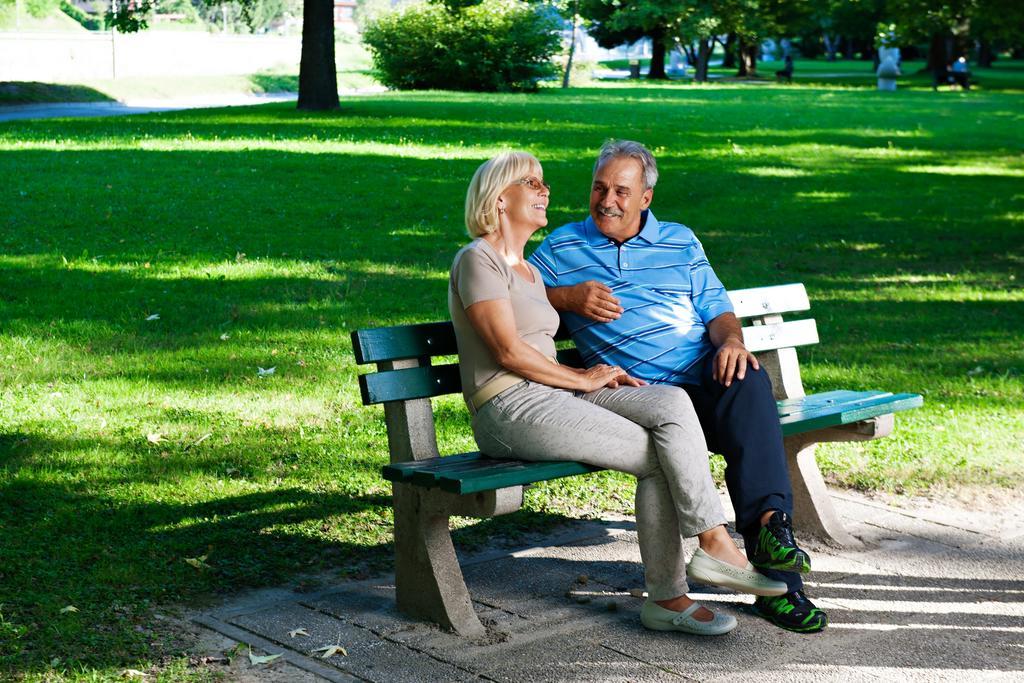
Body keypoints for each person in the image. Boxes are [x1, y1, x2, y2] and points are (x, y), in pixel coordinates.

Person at [450, 151, 790, 636]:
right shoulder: (477, 259)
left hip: (553, 394)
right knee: (658, 455)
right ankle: (682, 583)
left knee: (671, 403)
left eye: (544, 181)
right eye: (532, 182)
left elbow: (540, 324)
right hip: (510, 405)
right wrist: (586, 377)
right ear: (499, 198)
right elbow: (507, 353)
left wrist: (596, 374)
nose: (546, 190)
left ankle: (709, 553)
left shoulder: (527, 269)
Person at [528, 140, 828, 633]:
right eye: (599, 188)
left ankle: (774, 538)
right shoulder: (562, 247)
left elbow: (718, 310)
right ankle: (777, 584)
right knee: (744, 422)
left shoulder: (680, 241)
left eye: (622, 191)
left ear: (645, 198)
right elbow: (508, 295)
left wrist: (731, 341)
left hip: (700, 379)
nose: (607, 201)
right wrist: (565, 297)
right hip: (642, 397)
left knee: (748, 376)